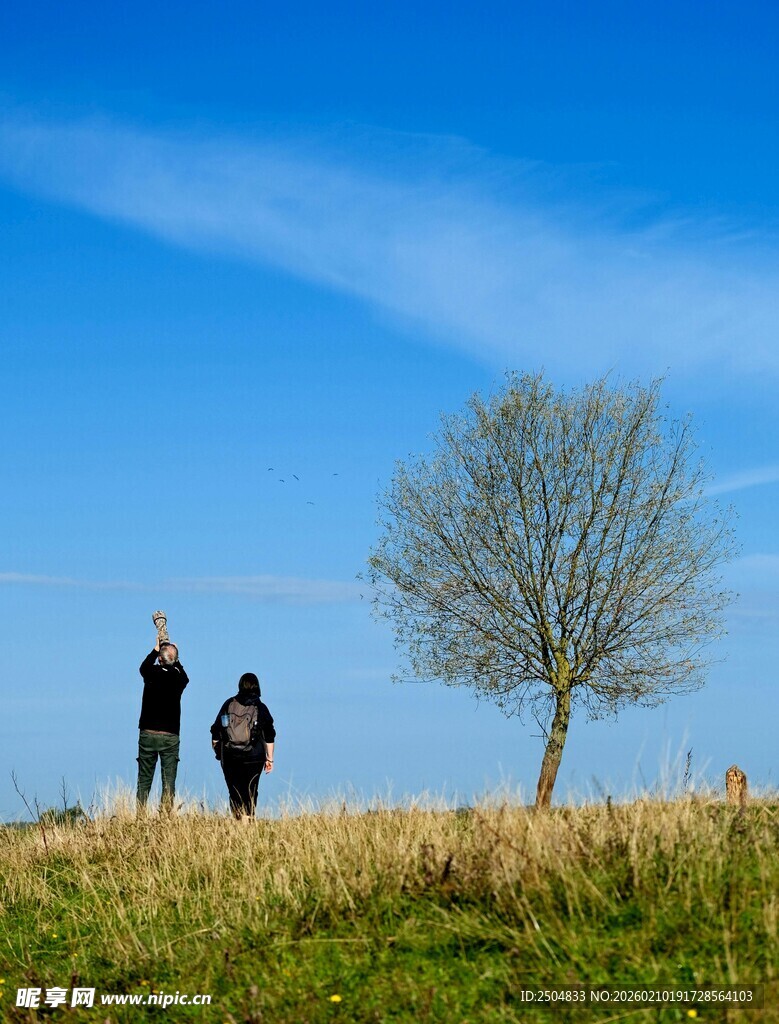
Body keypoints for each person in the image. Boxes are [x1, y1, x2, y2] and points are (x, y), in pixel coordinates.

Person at [211, 672, 275, 819]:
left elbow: (216, 729)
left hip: (230, 755)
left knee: (235, 791)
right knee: (251, 790)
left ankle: (237, 823)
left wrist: (218, 751)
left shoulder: (229, 704)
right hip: (254, 756)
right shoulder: (261, 707)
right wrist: (270, 759)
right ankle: (248, 824)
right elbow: (270, 734)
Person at [136, 636, 189, 812]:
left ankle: (140, 816)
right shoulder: (178, 679)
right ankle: (165, 818)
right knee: (168, 780)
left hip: (148, 733)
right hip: (170, 735)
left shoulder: (151, 673)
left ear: (160, 659)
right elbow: (186, 678)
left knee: (144, 779)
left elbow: (143, 667)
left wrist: (155, 649)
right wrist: (177, 659)